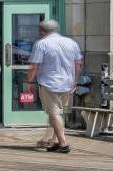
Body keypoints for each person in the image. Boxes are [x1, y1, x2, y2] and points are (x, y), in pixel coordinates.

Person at [28, 19, 83, 153]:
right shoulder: (71, 43)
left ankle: (63, 144)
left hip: (49, 83)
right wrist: (75, 80)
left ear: (42, 32)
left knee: (54, 113)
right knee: (58, 113)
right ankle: (56, 141)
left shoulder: (41, 44)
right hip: (68, 83)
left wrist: (30, 82)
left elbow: (34, 66)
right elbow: (78, 63)